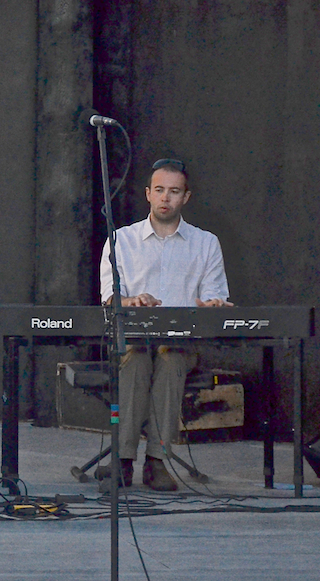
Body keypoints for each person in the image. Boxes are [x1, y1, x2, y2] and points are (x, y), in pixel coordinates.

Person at [99, 158, 231, 491]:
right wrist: (130, 301)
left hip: (180, 343)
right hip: (134, 341)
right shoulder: (121, 240)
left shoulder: (206, 243)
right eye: (159, 190)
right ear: (148, 194)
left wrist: (211, 305)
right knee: (135, 359)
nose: (165, 198)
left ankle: (157, 461)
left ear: (186, 197)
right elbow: (108, 298)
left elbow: (214, 299)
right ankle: (123, 460)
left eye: (174, 192)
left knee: (171, 359)